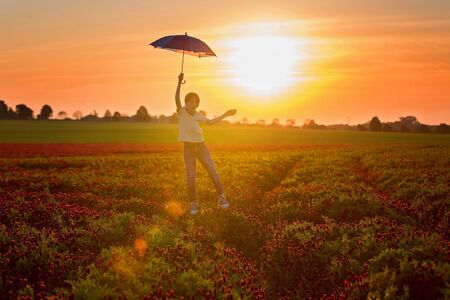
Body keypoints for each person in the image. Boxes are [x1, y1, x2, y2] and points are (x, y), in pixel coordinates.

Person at [175, 72, 236, 215]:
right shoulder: (181, 111)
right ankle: (194, 204)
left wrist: (225, 114)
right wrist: (179, 82)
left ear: (197, 104)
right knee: (191, 177)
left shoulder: (198, 115)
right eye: (190, 101)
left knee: (213, 171)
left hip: (201, 145)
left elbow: (210, 122)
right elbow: (176, 98)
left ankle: (221, 198)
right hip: (188, 148)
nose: (193, 103)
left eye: (195, 102)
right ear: (186, 103)